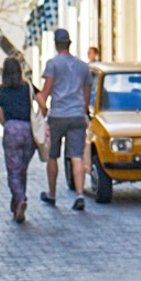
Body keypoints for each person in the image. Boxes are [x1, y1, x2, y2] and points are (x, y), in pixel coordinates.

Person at [38, 28, 92, 211]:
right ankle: (80, 194)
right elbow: (86, 94)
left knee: (52, 155)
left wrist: (43, 109)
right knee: (77, 156)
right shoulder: (83, 66)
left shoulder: (53, 64)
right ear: (69, 43)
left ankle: (52, 194)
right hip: (77, 115)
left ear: (56, 44)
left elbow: (46, 92)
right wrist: (83, 112)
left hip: (58, 115)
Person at [0, 56, 40, 223]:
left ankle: (20, 199)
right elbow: (42, 101)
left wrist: (8, 125)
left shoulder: (0, 91)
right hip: (29, 130)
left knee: (13, 170)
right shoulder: (27, 87)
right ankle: (17, 204)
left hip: (11, 129)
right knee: (22, 169)